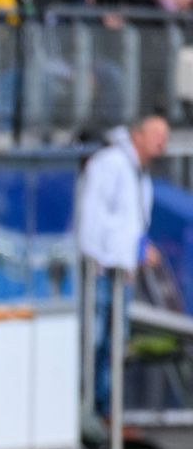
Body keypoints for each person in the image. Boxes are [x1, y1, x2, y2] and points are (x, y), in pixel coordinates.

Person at [75, 113, 168, 420]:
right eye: (156, 135)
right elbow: (91, 213)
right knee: (95, 339)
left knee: (115, 343)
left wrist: (140, 250)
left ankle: (104, 411)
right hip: (101, 272)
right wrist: (95, 258)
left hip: (121, 273)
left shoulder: (139, 172)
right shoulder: (111, 163)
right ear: (137, 135)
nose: (162, 143)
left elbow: (130, 222)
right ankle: (85, 410)